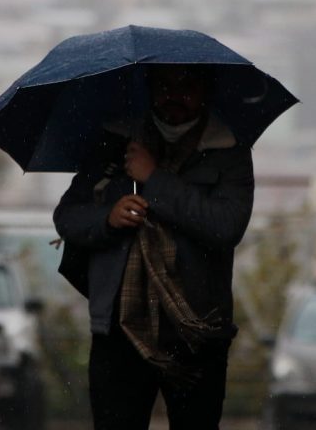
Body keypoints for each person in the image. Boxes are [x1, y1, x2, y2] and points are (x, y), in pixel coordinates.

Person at [53, 64, 255, 430]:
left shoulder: (229, 151)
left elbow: (226, 227)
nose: (174, 95)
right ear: (149, 89)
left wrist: (154, 178)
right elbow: (68, 216)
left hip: (197, 331)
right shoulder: (115, 142)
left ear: (205, 91)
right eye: (164, 86)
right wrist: (108, 218)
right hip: (119, 328)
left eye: (187, 85)